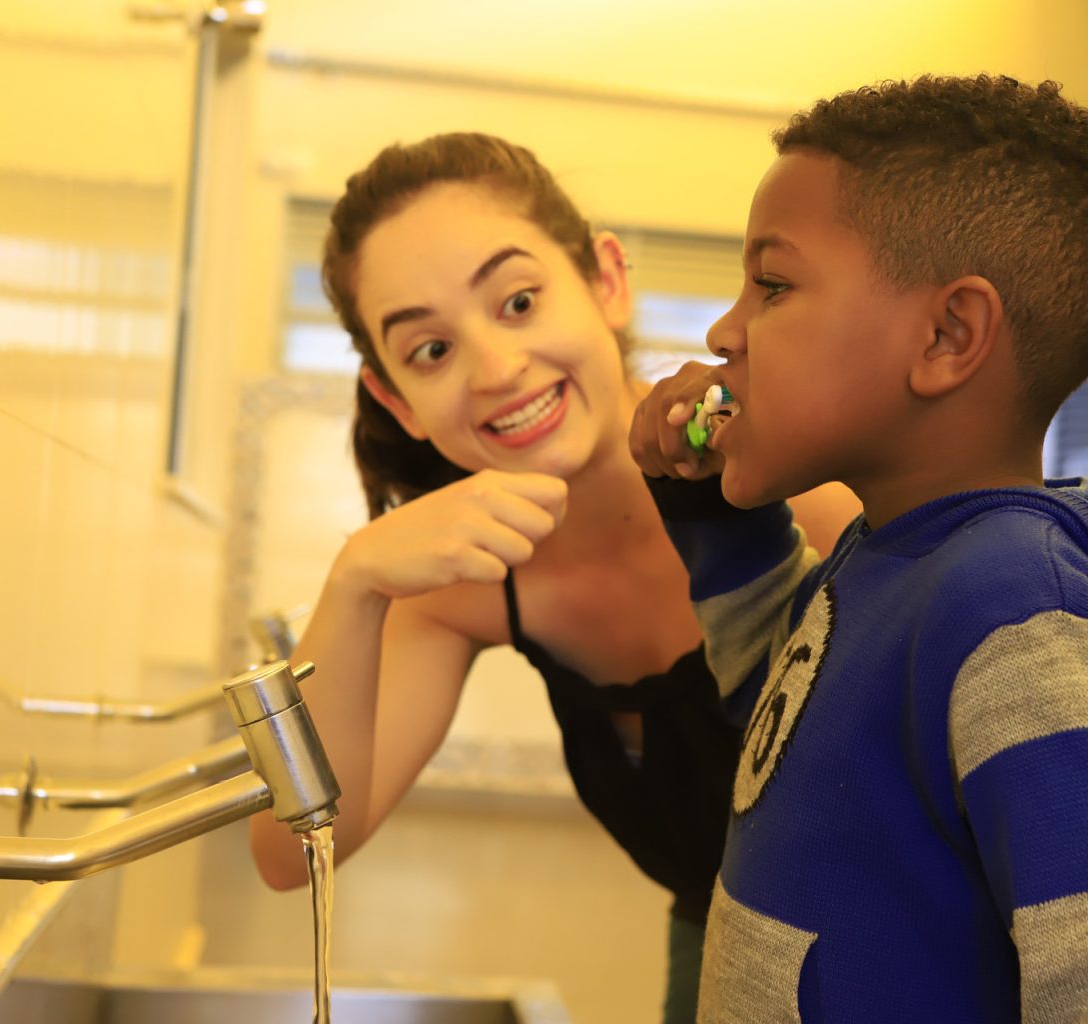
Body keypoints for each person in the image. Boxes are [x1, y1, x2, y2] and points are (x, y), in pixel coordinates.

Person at [629, 75, 1088, 1022]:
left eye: (774, 285)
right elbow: (790, 740)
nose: (724, 331)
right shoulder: (894, 559)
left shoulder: (1020, 616)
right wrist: (716, 513)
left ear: (949, 335)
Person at [246, 132, 859, 1023]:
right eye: (430, 352)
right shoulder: (464, 593)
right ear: (394, 401)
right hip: (715, 965)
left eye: (520, 301)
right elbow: (293, 849)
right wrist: (356, 581)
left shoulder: (805, 503)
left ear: (607, 281)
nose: (496, 370)